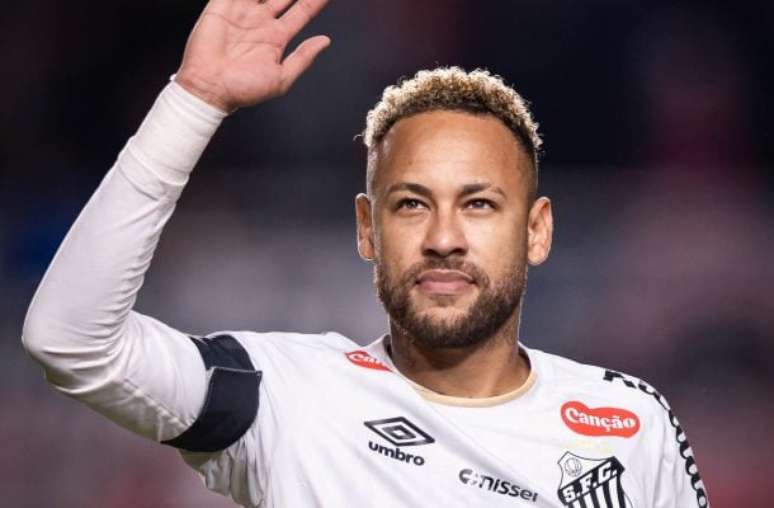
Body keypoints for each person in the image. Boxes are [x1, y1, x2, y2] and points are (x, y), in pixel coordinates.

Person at [22, 0, 709, 506]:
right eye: (411, 203)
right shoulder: (285, 399)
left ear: (537, 230)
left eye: (478, 204)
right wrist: (193, 101)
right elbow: (71, 342)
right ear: (366, 230)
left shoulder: (630, 426)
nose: (443, 238)